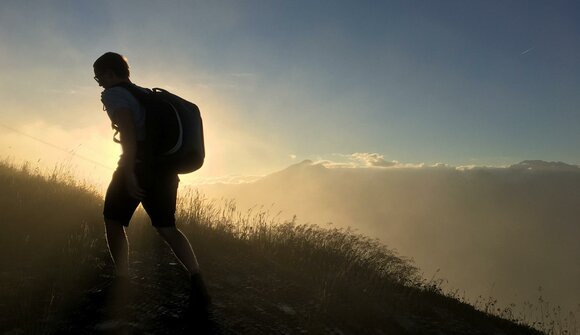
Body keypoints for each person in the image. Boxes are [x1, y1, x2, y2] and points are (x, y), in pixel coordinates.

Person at [93, 52, 210, 312]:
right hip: (166, 170)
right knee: (167, 227)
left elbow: (128, 132)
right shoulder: (144, 93)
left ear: (110, 73)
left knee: (113, 220)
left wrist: (129, 172)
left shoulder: (114, 95)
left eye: (99, 76)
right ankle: (197, 278)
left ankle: (121, 279)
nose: (98, 82)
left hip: (138, 167)